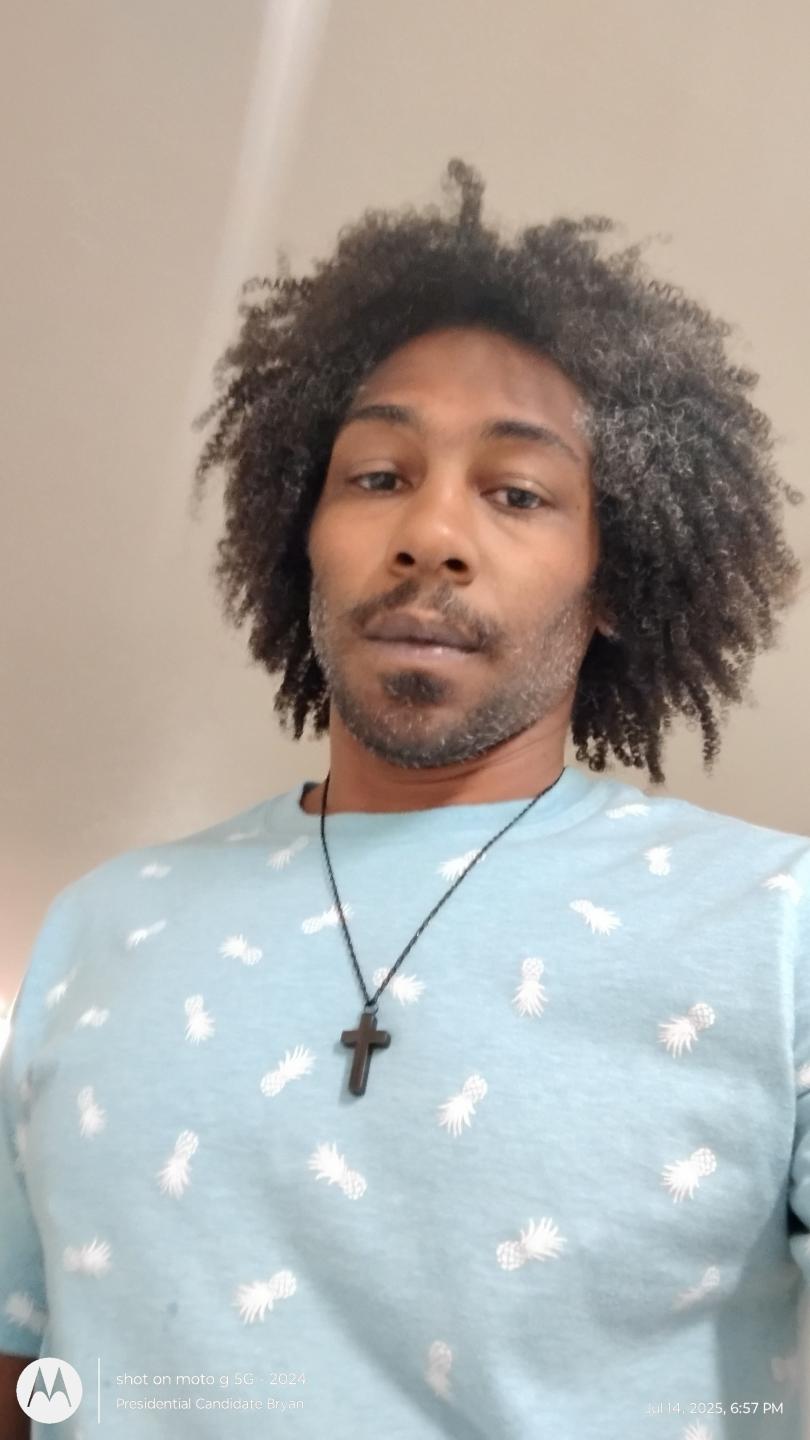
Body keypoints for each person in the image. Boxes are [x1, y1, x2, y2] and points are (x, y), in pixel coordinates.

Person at [1, 156, 808, 1440]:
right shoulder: (101, 930)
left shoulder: (778, 928)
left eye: (517, 493)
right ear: (301, 536)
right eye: (378, 476)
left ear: (613, 581)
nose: (430, 533)